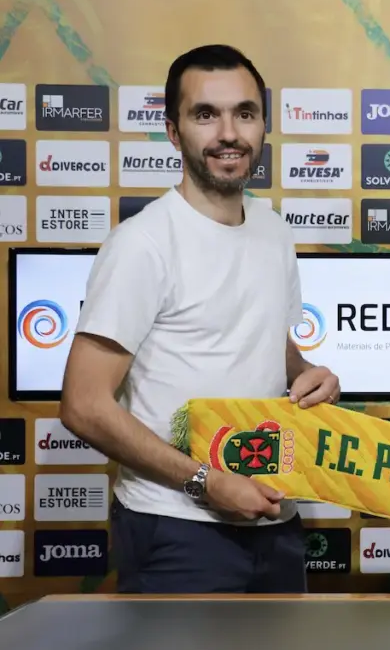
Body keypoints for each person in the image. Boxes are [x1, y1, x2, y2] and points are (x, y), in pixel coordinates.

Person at [59, 44, 341, 594]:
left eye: (244, 113)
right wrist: (205, 482)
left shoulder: (273, 228)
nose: (228, 133)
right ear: (173, 131)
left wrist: (305, 374)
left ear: (263, 126)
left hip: (274, 517)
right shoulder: (142, 245)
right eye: (205, 115)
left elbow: (267, 342)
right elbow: (83, 405)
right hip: (176, 529)